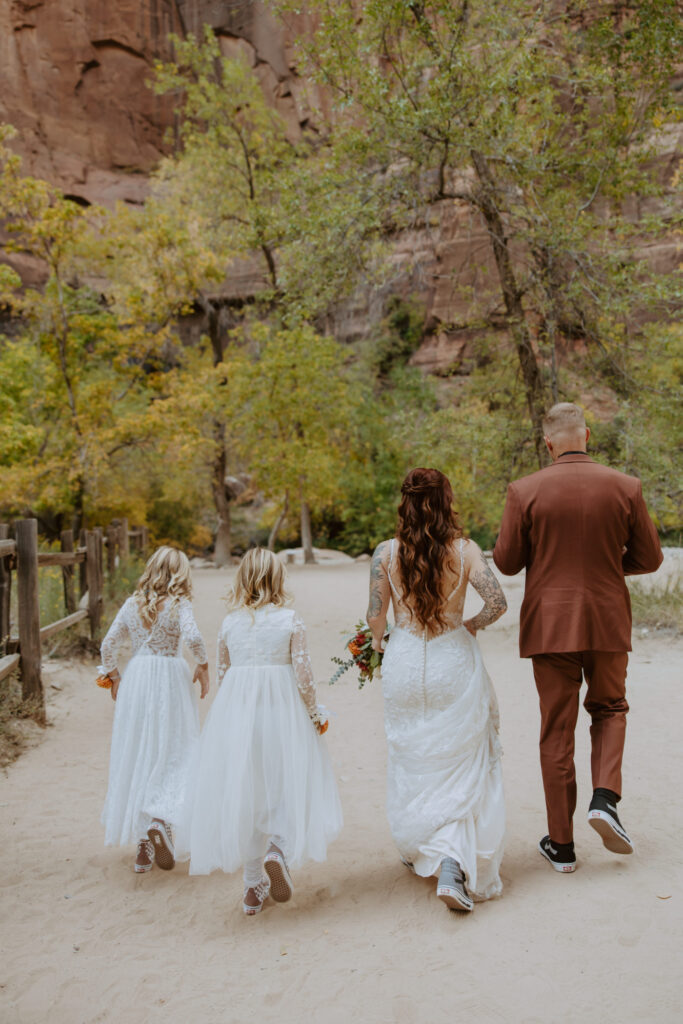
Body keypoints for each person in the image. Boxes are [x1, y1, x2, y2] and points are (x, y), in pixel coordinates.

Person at [493, 403, 663, 872]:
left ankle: (562, 847)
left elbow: (506, 562)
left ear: (548, 443)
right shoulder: (625, 487)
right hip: (606, 619)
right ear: (587, 434)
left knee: (556, 730)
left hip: (549, 626)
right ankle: (604, 800)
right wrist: (609, 565)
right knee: (609, 708)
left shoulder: (523, 490)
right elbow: (650, 558)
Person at [367, 468, 507, 912]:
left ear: (404, 504)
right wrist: (469, 625)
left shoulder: (385, 554)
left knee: (414, 757)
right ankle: (451, 862)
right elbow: (498, 603)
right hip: (451, 656)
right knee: (462, 760)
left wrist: (375, 646)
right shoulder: (465, 551)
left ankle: (427, 848)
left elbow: (375, 616)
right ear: (446, 501)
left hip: (405, 662)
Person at [180, 547, 342, 916]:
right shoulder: (290, 620)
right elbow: (303, 675)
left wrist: (230, 718)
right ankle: (278, 849)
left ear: (242, 580)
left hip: (238, 716)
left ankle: (253, 888)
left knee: (249, 792)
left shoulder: (229, 623)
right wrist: (314, 713)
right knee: (288, 783)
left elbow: (223, 674)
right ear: (278, 579)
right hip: (283, 713)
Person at [100, 546, 209, 873]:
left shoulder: (133, 604)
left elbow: (108, 646)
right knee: (174, 750)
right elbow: (193, 636)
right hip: (169, 679)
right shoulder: (179, 605)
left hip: (137, 678)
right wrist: (202, 665)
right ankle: (162, 819)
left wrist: (115, 678)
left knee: (140, 753)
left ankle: (144, 848)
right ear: (181, 574)